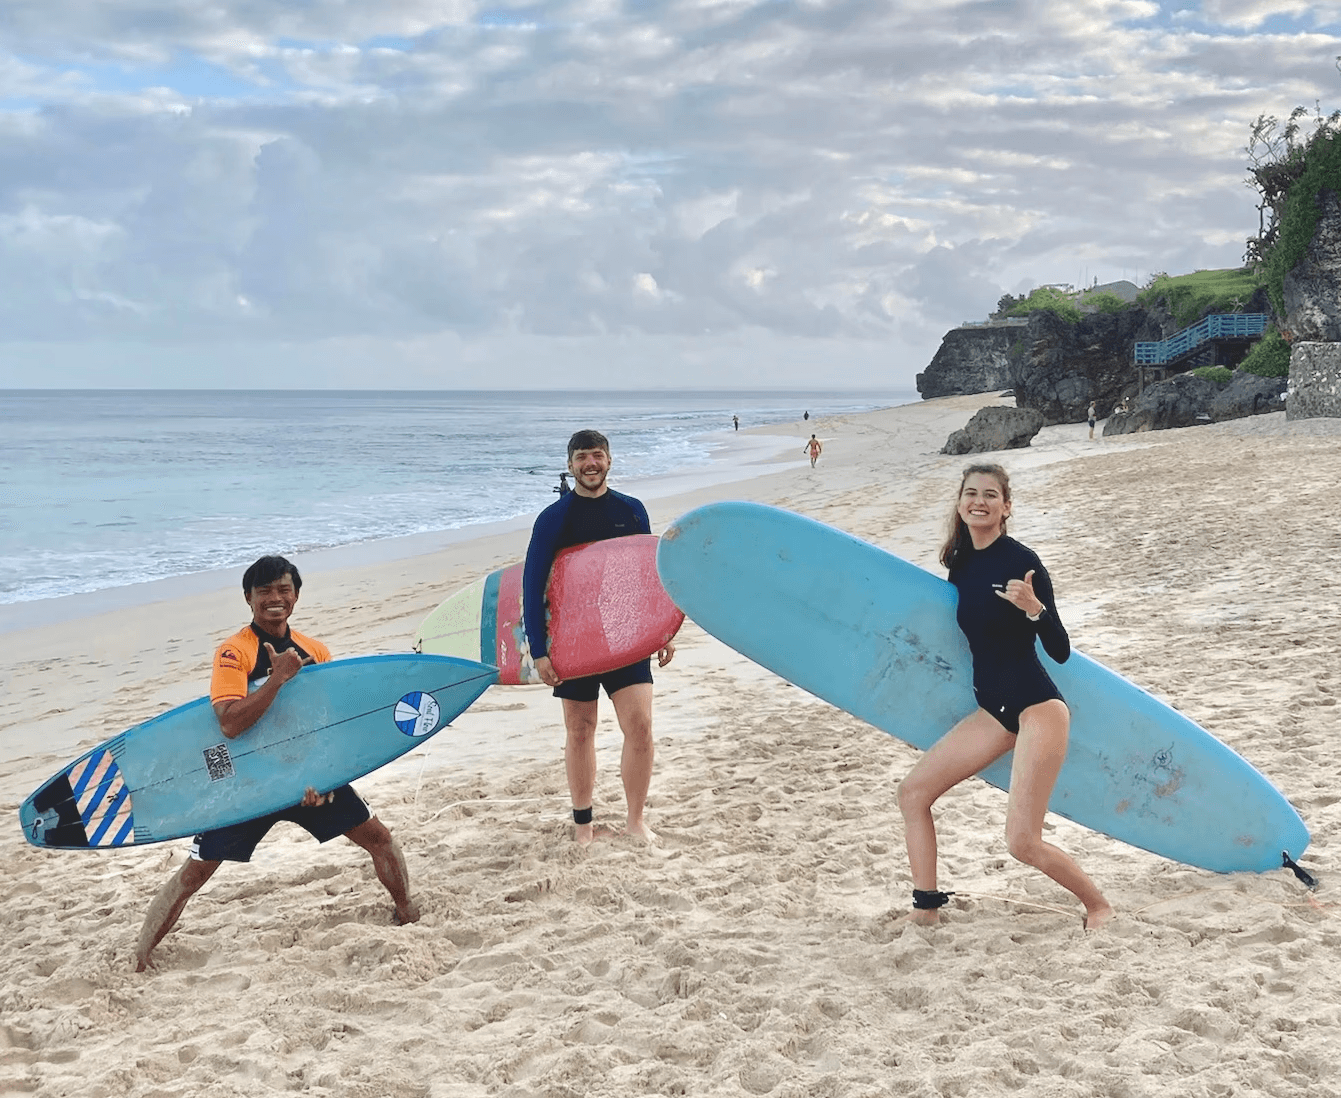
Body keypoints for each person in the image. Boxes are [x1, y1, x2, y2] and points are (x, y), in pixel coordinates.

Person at [133, 555, 419, 972]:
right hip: (245, 783)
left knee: (380, 839)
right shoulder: (234, 653)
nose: (275, 598)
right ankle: (141, 955)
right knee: (195, 874)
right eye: (264, 591)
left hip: (305, 777)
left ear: (296, 596)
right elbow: (230, 724)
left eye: (284, 589)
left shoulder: (315, 651)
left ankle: (406, 909)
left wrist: (325, 778)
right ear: (248, 598)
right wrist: (277, 679)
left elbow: (327, 726)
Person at [895, 465, 1114, 930]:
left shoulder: (1022, 562)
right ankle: (926, 908)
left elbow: (1059, 649)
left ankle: (1098, 905)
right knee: (913, 794)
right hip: (992, 711)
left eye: (990, 495)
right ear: (959, 503)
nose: (980, 501)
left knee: (1022, 842)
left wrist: (1034, 609)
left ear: (1006, 507)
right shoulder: (960, 562)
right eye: (971, 493)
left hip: (1037, 707)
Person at [524, 430, 676, 846]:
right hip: (573, 642)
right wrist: (540, 650)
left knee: (641, 726)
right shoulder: (553, 519)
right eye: (581, 458)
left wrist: (661, 630)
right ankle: (583, 826)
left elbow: (649, 577)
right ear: (570, 465)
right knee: (580, 730)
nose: (590, 464)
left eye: (597, 456)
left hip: (626, 635)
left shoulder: (632, 510)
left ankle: (635, 821)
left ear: (609, 460)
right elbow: (532, 584)